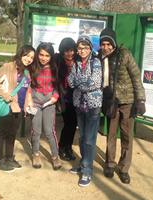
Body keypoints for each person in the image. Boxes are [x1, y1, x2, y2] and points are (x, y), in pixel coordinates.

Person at [98, 28, 146, 184]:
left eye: (108, 44)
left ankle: (124, 168)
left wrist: (140, 100)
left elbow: (136, 77)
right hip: (111, 103)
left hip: (127, 103)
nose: (105, 47)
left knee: (126, 137)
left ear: (114, 43)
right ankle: (110, 164)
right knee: (111, 135)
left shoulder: (125, 54)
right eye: (103, 44)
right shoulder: (100, 57)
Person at [0, 45, 35, 172]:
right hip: (8, 106)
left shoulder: (27, 71)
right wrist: (5, 95)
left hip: (20, 107)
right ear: (21, 54)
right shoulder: (8, 66)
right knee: (2, 133)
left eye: (32, 57)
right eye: (26, 55)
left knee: (12, 134)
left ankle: (9, 157)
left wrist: (28, 104)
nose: (29, 59)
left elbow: (27, 89)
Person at [67, 36, 102, 187]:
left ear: (90, 49)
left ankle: (87, 171)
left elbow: (95, 82)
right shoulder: (75, 64)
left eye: (85, 48)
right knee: (82, 137)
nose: (82, 51)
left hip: (93, 106)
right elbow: (70, 81)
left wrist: (79, 82)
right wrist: (82, 81)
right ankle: (83, 164)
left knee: (89, 140)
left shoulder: (96, 62)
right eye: (80, 48)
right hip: (79, 106)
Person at [28, 42, 61, 170]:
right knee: (36, 131)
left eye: (47, 55)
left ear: (51, 56)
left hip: (49, 104)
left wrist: (55, 97)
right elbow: (29, 85)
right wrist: (30, 99)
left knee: (49, 131)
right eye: (41, 55)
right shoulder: (32, 68)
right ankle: (35, 154)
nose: (43, 58)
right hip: (35, 104)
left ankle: (55, 156)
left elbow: (57, 86)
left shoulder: (54, 68)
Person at [55, 38, 77, 161]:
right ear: (62, 51)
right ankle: (62, 147)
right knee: (69, 123)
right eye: (67, 51)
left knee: (74, 124)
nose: (70, 53)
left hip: (76, 98)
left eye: (72, 50)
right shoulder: (58, 61)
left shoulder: (77, 61)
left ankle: (69, 146)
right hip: (65, 98)